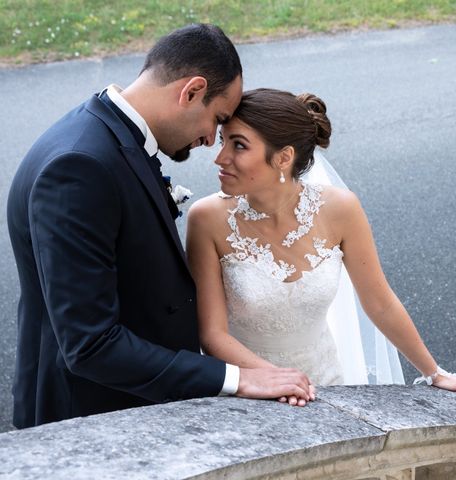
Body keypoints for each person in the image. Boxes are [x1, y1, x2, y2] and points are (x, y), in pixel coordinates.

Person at [7, 25, 313, 429]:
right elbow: (90, 344)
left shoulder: (108, 133)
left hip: (131, 403)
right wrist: (236, 379)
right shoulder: (80, 166)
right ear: (191, 91)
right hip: (88, 418)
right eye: (216, 119)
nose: (209, 141)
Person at [186, 88, 456, 406]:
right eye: (223, 141)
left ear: (284, 157)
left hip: (326, 381)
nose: (220, 158)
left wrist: (435, 373)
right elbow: (212, 334)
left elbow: (380, 302)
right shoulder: (207, 219)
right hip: (247, 389)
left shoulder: (340, 209)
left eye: (238, 145)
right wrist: (277, 380)